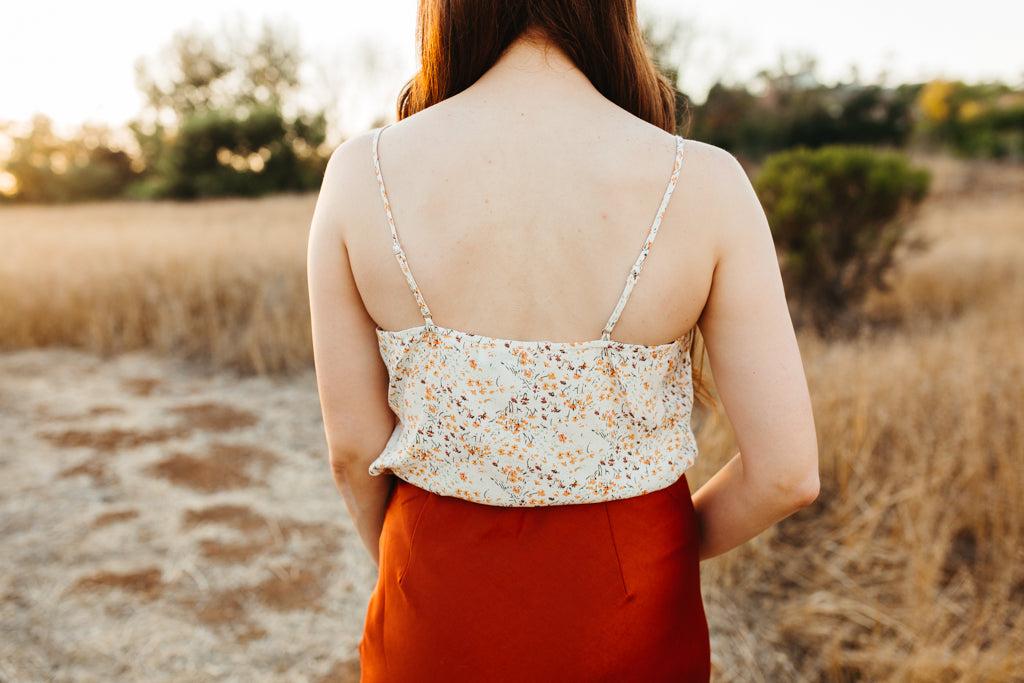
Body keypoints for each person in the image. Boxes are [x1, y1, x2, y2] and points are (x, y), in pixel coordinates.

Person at [307, 1, 819, 680]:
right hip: (631, 603)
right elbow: (786, 474)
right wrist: (658, 544)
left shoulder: (359, 173)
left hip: (434, 596)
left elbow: (352, 451)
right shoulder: (705, 182)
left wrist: (414, 560)